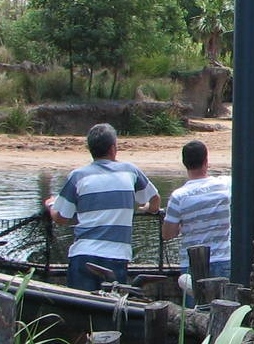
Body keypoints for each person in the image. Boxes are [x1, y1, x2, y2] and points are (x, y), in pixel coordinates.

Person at [46, 123, 160, 291]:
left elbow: (61, 217)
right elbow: (155, 199)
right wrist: (149, 208)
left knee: (79, 309)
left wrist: (50, 206)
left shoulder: (78, 176)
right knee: (113, 310)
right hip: (116, 256)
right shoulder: (130, 171)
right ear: (113, 148)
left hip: (83, 255)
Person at [160, 140, 232, 292]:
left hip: (192, 263)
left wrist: (182, 225)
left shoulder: (178, 196)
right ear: (206, 161)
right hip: (223, 259)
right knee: (225, 309)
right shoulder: (225, 185)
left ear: (185, 163)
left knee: (195, 312)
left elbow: (167, 234)